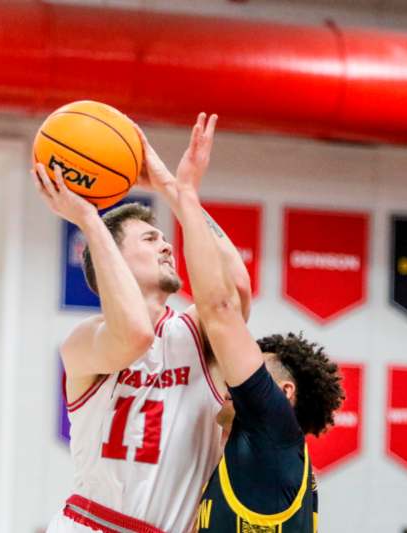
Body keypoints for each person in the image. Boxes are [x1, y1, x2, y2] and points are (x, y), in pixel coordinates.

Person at [35, 113, 251, 533]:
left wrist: (176, 189)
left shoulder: (193, 333)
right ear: (110, 258)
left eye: (164, 238)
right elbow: (134, 335)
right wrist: (89, 218)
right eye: (150, 239)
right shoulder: (83, 341)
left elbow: (237, 292)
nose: (168, 245)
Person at [172, 153, 344, 532]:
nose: (234, 379)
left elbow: (219, 307)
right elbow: (236, 289)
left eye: (254, 374)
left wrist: (183, 192)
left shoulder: (273, 434)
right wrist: (178, 196)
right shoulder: (265, 454)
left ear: (284, 393)